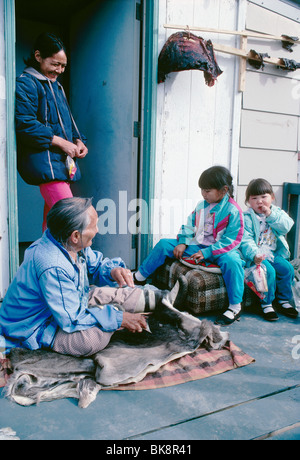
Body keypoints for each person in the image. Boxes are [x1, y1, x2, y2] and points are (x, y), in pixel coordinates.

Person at [0, 198, 179, 357]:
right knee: (90, 341)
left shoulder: (67, 241)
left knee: (114, 292)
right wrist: (118, 319)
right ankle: (112, 313)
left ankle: (163, 299)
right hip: (37, 325)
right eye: (93, 226)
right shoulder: (52, 265)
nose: (97, 230)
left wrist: (112, 271)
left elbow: (96, 265)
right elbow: (71, 319)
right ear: (76, 236)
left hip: (69, 302)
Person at [133, 166, 245, 326]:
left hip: (219, 251)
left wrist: (207, 252)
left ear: (223, 190)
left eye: (207, 191)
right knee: (165, 244)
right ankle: (140, 277)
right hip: (197, 246)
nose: (204, 194)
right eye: (202, 190)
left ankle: (235, 306)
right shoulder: (202, 205)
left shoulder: (233, 211)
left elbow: (233, 240)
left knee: (233, 262)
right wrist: (183, 242)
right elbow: (189, 225)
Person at [16, 32, 88, 231]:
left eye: (63, 66)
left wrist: (78, 140)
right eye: (55, 64)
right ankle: (77, 262)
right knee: (72, 221)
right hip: (46, 167)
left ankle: (40, 261)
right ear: (38, 56)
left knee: (52, 226)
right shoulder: (26, 83)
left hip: (59, 166)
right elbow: (26, 124)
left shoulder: (57, 87)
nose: (59, 70)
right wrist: (62, 143)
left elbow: (67, 120)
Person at [240, 178, 298, 321]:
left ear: (272, 197)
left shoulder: (277, 213)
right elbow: (245, 239)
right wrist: (254, 254)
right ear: (248, 201)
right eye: (254, 198)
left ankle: (284, 300)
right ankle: (266, 303)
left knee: (287, 269)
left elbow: (286, 226)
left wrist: (270, 215)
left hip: (272, 253)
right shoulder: (246, 217)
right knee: (269, 272)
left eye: (264, 197)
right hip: (257, 254)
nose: (260, 201)